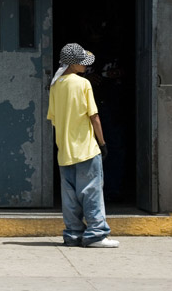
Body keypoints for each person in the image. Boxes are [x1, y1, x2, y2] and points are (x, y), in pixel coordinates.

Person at [47, 43, 120, 248]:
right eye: (82, 62)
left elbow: (53, 119)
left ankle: (73, 234)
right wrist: (103, 143)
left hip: (65, 151)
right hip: (86, 148)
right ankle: (96, 234)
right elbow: (94, 116)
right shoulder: (83, 84)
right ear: (72, 64)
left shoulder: (55, 85)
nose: (85, 66)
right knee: (92, 192)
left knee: (70, 198)